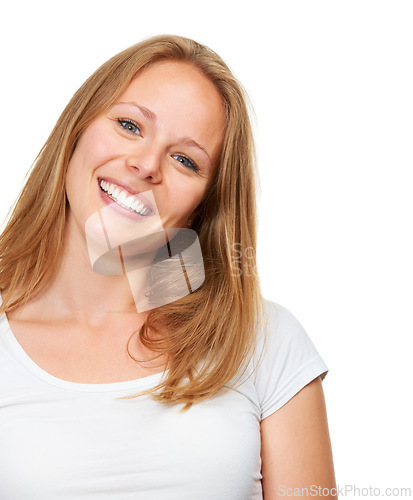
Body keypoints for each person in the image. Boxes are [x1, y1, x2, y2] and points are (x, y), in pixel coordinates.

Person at [0, 35, 337, 499]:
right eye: (129, 125)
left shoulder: (265, 340)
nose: (145, 165)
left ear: (205, 204)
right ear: (76, 128)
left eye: (185, 159)